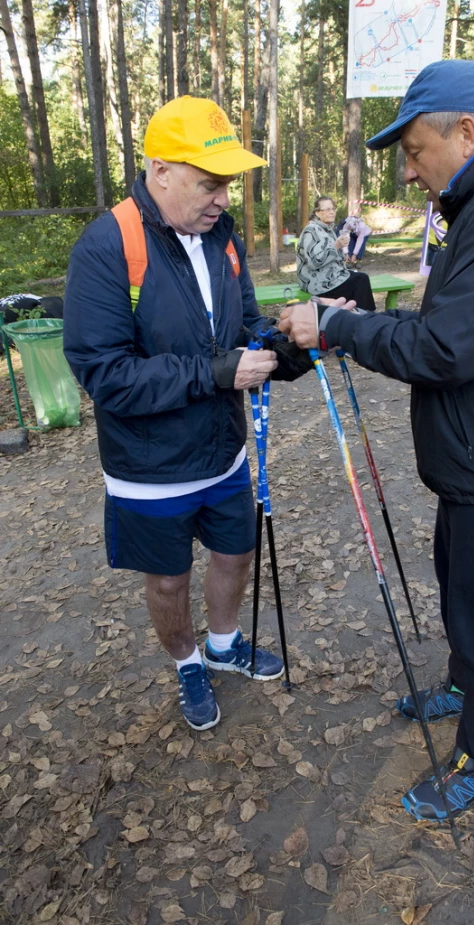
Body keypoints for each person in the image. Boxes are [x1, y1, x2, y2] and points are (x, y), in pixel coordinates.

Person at [279, 59, 474, 823]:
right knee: (459, 578)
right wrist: (350, 316)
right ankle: (462, 681)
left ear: (468, 131)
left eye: (415, 151)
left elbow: (450, 347)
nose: (409, 171)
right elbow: (436, 322)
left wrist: (341, 327)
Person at [63, 96, 313, 733]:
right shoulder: (107, 245)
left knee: (235, 554)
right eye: (209, 184)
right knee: (169, 582)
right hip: (150, 469)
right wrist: (216, 371)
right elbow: (104, 374)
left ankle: (225, 645)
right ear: (160, 172)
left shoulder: (221, 238)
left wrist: (292, 348)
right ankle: (187, 662)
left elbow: (245, 327)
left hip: (223, 453)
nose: (223, 199)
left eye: (228, 184)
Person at [296, 197, 377, 311]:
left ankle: (358, 317)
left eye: (333, 209)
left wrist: (342, 252)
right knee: (360, 281)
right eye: (327, 209)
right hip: (316, 282)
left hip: (331, 277)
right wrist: (336, 247)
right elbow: (314, 263)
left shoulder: (327, 229)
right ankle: (366, 318)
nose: (332, 212)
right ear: (317, 213)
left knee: (360, 278)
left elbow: (332, 255)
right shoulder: (312, 231)